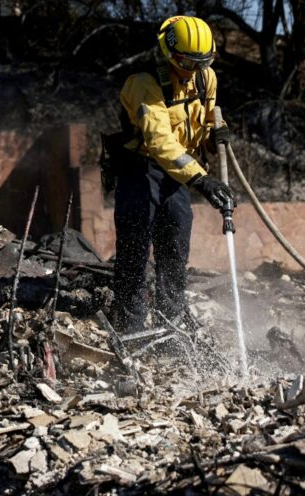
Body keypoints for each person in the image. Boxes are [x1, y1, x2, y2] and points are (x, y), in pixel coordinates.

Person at [111, 15, 236, 334]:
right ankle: (130, 326)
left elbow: (206, 121)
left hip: (179, 171)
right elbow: (159, 140)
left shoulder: (207, 79)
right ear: (170, 54)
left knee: (175, 247)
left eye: (202, 62)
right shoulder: (144, 83)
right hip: (141, 169)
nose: (194, 71)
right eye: (187, 63)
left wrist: (215, 135)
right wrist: (201, 180)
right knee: (135, 248)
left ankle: (173, 322)